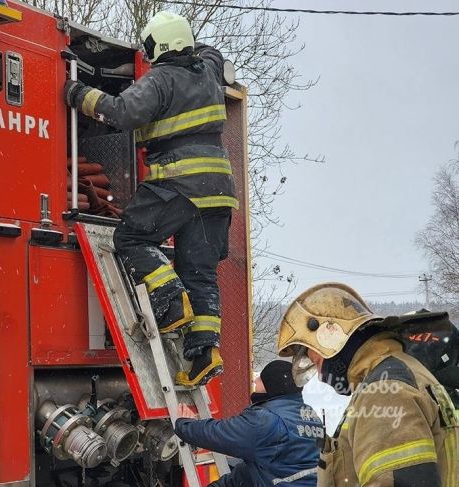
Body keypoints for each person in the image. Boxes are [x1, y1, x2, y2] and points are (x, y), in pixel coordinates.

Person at [64, 11, 238, 387]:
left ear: (159, 45)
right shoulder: (207, 69)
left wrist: (78, 93)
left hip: (179, 183)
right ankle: (204, 355)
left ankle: (171, 302)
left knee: (131, 238)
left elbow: (122, 112)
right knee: (200, 272)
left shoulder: (161, 79)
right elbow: (212, 52)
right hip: (219, 191)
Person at [277, 282, 459, 487]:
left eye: (318, 363)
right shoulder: (394, 375)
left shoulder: (385, 391)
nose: (320, 376)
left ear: (332, 336)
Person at [174, 360, 323, 487]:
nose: (255, 381)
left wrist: (185, 425)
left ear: (271, 385)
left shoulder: (268, 418)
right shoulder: (309, 415)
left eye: (261, 379)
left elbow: (219, 433)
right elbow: (260, 468)